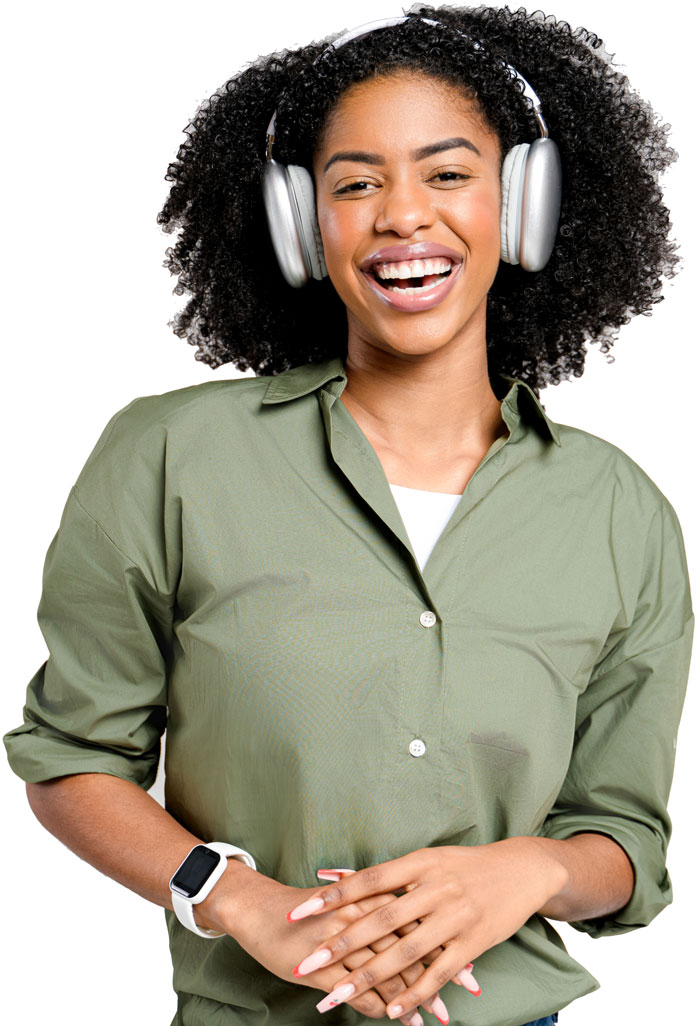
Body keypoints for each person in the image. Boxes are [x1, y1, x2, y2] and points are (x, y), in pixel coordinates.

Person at [3, 4, 694, 1026]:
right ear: (298, 224)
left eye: (447, 174)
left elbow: (622, 842)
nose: (402, 215)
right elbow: (71, 760)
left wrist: (532, 870)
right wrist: (232, 897)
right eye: (356, 183)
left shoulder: (617, 511)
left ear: (521, 207)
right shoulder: (171, 457)